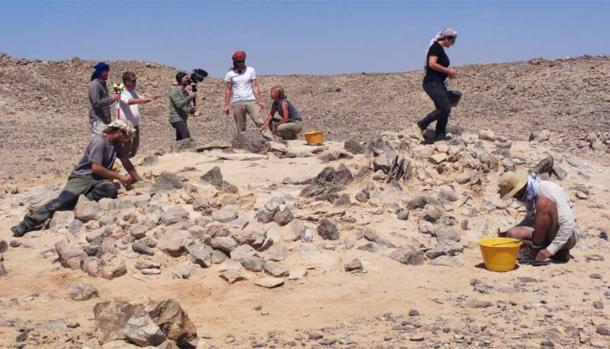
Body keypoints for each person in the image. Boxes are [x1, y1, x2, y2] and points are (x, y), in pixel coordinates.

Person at [11, 120, 142, 237]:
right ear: (119, 132)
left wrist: (139, 179)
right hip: (82, 177)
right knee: (62, 201)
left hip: (98, 179)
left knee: (110, 190)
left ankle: (77, 203)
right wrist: (120, 177)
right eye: (126, 136)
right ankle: (27, 223)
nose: (127, 140)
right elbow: (95, 167)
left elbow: (126, 161)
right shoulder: (99, 141)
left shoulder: (116, 144)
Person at [498, 169, 580, 263]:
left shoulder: (548, 189)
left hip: (568, 237)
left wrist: (551, 250)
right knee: (512, 234)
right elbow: (531, 220)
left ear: (520, 189)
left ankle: (536, 250)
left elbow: (568, 223)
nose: (515, 197)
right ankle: (559, 253)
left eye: (514, 194)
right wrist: (506, 235)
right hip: (546, 236)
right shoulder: (529, 196)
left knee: (543, 203)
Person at [416, 28, 458, 143]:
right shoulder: (435, 47)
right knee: (444, 108)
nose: (453, 44)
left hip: (438, 82)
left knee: (445, 108)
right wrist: (448, 71)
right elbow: (432, 64)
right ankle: (422, 124)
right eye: (452, 41)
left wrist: (447, 73)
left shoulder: (440, 49)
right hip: (432, 82)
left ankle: (440, 135)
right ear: (447, 38)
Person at [116, 71, 161, 157]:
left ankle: (131, 162)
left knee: (135, 144)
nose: (135, 83)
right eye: (133, 81)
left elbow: (141, 99)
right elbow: (129, 102)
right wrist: (145, 99)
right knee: (126, 145)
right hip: (125, 124)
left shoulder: (133, 91)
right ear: (126, 81)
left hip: (135, 123)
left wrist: (151, 98)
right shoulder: (119, 88)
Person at [224, 51, 267, 132]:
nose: (241, 63)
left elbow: (255, 87)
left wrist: (259, 101)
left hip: (251, 100)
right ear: (235, 62)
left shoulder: (251, 70)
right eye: (239, 61)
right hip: (237, 102)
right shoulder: (230, 74)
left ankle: (270, 140)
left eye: (243, 61)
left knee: (259, 122)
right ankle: (242, 143)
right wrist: (226, 105)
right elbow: (228, 90)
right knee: (240, 127)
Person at [89, 62, 120, 134]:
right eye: (105, 71)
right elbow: (96, 103)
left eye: (107, 71)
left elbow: (105, 102)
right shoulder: (95, 84)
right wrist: (112, 98)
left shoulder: (103, 84)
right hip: (98, 121)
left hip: (105, 120)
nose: (107, 73)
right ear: (100, 72)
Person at [168, 71, 196, 141]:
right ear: (180, 79)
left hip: (183, 119)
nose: (188, 79)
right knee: (186, 137)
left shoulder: (185, 93)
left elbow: (187, 107)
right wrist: (190, 97)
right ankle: (188, 151)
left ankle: (176, 151)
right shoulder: (174, 91)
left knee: (180, 140)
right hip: (177, 118)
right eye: (186, 78)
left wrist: (192, 110)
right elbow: (179, 105)